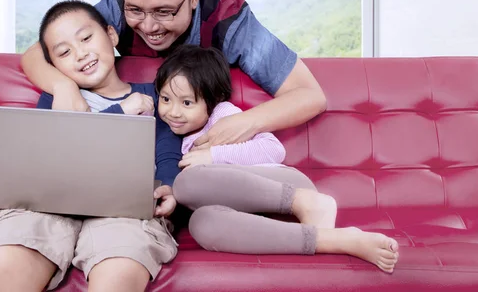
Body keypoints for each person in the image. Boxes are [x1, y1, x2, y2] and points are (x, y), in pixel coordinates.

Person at [20, 0, 327, 153]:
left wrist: (245, 122)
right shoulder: (116, 6)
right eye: (135, 11)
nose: (148, 26)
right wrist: (64, 88)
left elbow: (309, 95)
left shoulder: (227, 17)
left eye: (164, 12)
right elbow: (40, 51)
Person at [0, 0, 182, 292]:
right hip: (49, 205)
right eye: (64, 52)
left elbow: (168, 147)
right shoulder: (56, 100)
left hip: (125, 210)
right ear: (54, 65)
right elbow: (54, 160)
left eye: (86, 38)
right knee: (7, 254)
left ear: (111, 35)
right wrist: (121, 112)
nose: (81, 54)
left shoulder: (153, 96)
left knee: (120, 263)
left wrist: (171, 184)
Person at [154, 45, 400, 273]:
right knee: (202, 224)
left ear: (213, 99)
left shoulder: (222, 114)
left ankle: (304, 203)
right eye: (165, 99)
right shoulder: (175, 136)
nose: (173, 112)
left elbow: (273, 150)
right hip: (254, 214)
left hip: (285, 187)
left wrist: (212, 155)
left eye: (187, 102)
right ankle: (334, 240)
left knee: (187, 183)